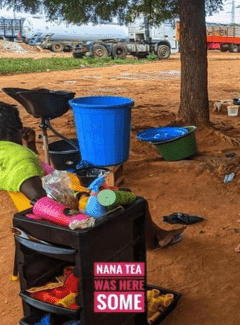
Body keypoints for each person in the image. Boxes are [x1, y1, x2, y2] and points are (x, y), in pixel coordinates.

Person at [0, 102, 184, 250]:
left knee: (111, 193)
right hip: (65, 216)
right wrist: (78, 207)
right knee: (131, 197)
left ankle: (156, 235)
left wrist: (30, 145)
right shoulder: (18, 157)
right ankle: (154, 240)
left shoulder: (6, 153)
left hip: (43, 213)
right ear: (13, 131)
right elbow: (39, 201)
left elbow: (29, 174)